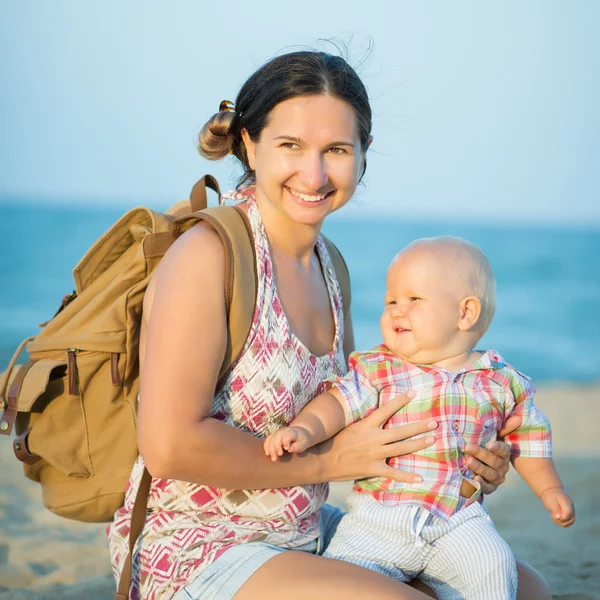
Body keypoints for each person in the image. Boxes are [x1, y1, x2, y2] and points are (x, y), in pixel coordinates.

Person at [107, 50, 553, 600]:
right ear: (250, 143)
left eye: (337, 150)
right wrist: (331, 461)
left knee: (524, 588)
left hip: (304, 531)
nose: (314, 174)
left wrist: (467, 448)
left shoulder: (330, 265)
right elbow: (169, 445)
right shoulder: (210, 255)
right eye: (290, 145)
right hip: (199, 546)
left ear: (363, 156)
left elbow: (360, 407)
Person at [264, 237, 575, 599]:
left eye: (414, 300)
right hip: (378, 518)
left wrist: (551, 490)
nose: (397, 310)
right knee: (348, 575)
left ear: (465, 313)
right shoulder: (381, 369)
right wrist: (305, 429)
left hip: (457, 518)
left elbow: (530, 439)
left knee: (494, 565)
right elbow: (338, 403)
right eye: (390, 300)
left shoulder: (502, 381)